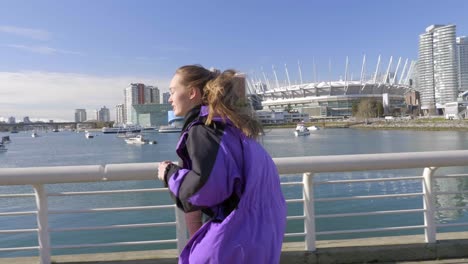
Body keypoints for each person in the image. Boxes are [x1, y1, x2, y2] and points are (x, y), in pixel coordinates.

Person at [158, 65, 286, 264]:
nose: (169, 98)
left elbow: (203, 189)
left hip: (235, 240)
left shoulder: (205, 130)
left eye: (173, 91)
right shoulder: (234, 129)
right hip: (263, 234)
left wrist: (169, 174)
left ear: (192, 93)